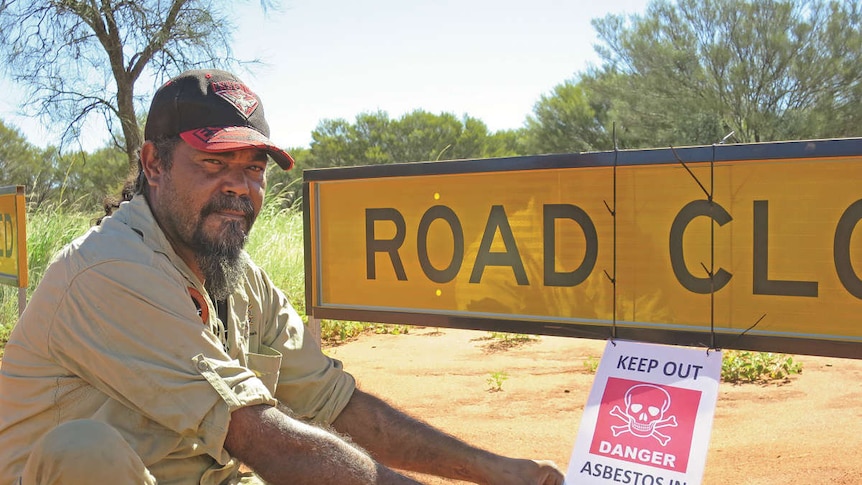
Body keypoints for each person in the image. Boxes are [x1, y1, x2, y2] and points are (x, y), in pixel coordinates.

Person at [0, 69, 566, 484]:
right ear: (153, 163)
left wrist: (496, 470)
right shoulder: (109, 271)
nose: (239, 187)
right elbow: (258, 435)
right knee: (84, 451)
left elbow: (333, 403)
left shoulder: (237, 275)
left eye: (253, 168)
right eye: (214, 163)